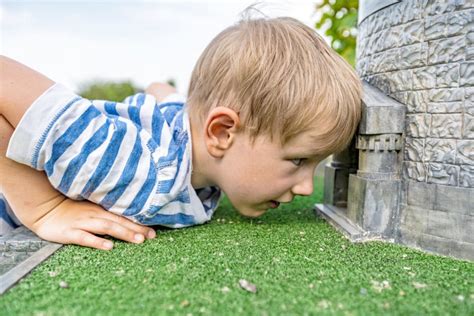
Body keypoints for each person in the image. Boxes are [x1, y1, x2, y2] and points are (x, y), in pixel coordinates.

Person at [0, 17, 362, 250]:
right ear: (221, 132)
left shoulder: (190, 133)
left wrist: (158, 96)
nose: (305, 187)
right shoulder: (136, 169)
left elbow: (162, 91)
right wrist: (45, 209)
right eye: (298, 160)